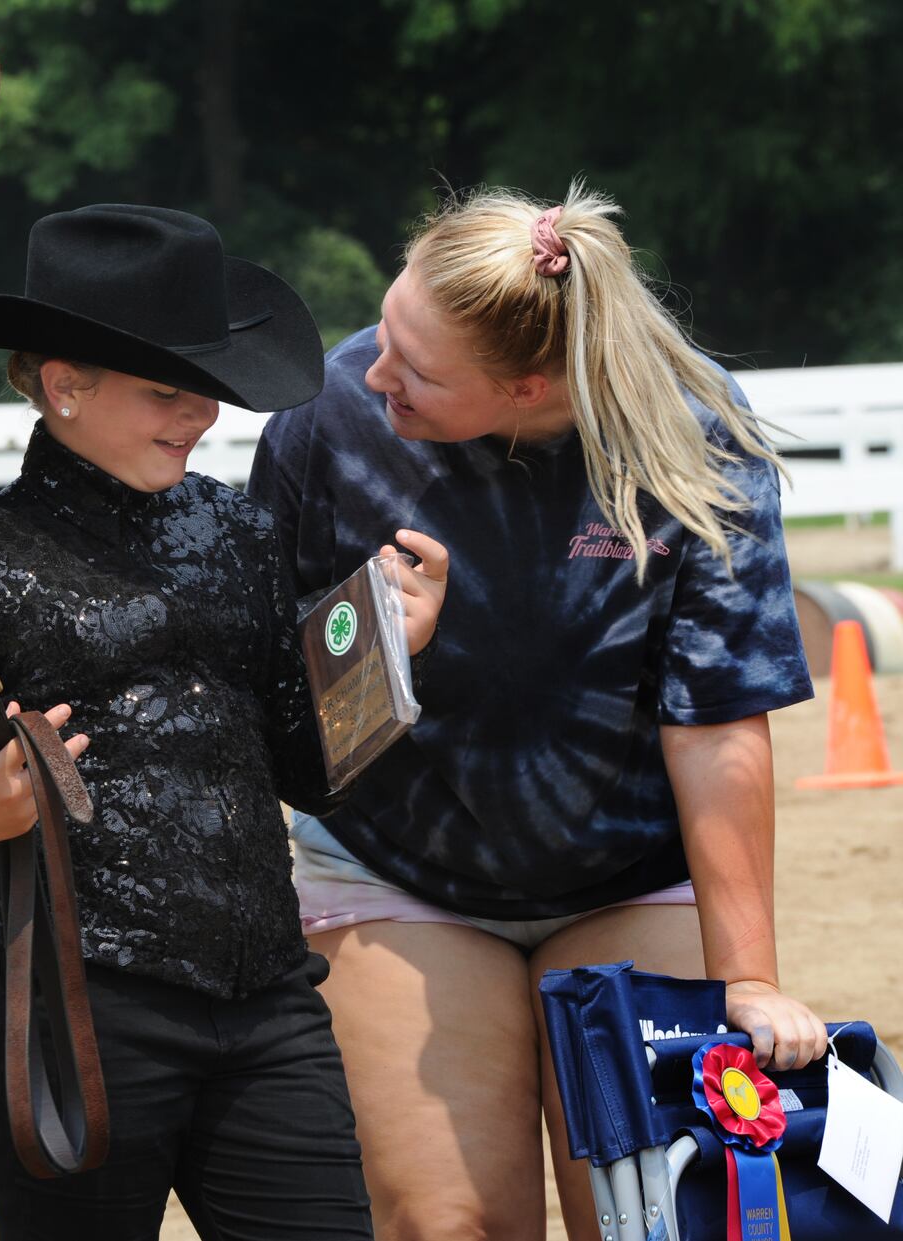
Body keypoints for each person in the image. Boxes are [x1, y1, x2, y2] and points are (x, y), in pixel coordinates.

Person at [247, 182, 828, 1241]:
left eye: (414, 370)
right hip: (394, 867)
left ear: (526, 384)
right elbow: (265, 696)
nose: (370, 373)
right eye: (383, 328)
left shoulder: (696, 449)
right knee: (448, 1220)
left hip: (627, 875)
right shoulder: (328, 418)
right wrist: (377, 637)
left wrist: (745, 975)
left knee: (643, 1218)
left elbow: (716, 723)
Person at [0, 203, 446, 1240]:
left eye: (207, 393)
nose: (201, 419)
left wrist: (390, 655)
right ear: (63, 383)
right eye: (167, 392)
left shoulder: (239, 528)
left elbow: (305, 773)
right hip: (72, 1012)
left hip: (270, 1000)